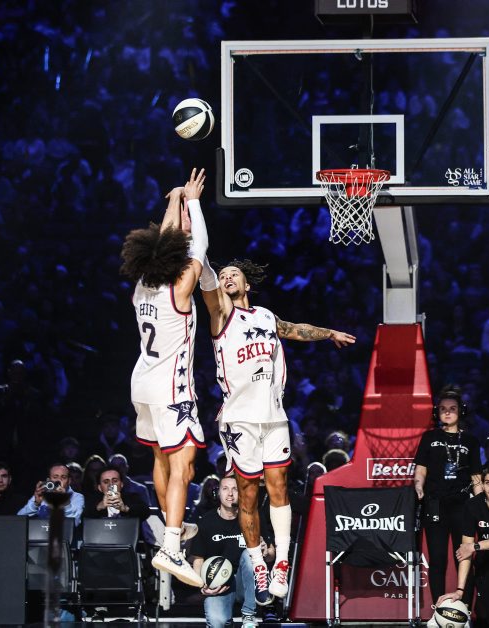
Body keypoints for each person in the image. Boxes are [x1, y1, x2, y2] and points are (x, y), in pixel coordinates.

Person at [200, 257, 356, 604]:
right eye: (223, 276)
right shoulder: (221, 315)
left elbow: (296, 329)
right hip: (239, 420)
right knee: (248, 495)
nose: (227, 278)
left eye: (234, 274)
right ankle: (259, 565)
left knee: (279, 487)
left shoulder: (266, 316)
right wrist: (202, 255)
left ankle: (281, 563)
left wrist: (328, 333)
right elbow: (207, 283)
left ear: (247, 285)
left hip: (273, 415)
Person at [120, 167, 210, 587]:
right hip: (170, 386)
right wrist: (194, 202)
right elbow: (200, 247)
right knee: (184, 464)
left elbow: (165, 243)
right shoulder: (180, 289)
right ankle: (171, 546)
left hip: (142, 382)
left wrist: (174, 201)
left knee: (161, 458)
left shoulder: (143, 283)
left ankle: (170, 527)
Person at [413, 385, 484, 608]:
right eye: (443, 408)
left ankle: (465, 609)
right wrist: (418, 486)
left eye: (452, 408)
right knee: (437, 559)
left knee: (463, 557)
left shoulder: (470, 440)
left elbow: (476, 476)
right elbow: (421, 468)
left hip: (462, 505)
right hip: (435, 503)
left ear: (461, 411)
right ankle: (438, 609)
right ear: (437, 412)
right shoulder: (429, 437)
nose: (447, 412)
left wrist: (481, 506)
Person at [436, 465, 489, 628]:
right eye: (488, 483)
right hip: (487, 561)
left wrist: (475, 546)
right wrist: (460, 590)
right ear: (482, 485)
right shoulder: (472, 505)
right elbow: (465, 550)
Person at [191, 475, 273, 628]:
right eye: (225, 489)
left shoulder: (253, 517)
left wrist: (265, 552)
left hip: (246, 580)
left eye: (235, 489)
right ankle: (227, 620)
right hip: (219, 582)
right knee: (217, 622)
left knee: (250, 553)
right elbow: (198, 561)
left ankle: (249, 615)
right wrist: (202, 586)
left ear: (241, 492)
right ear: (218, 493)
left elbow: (271, 555)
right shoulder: (206, 522)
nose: (230, 493)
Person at [17, 462, 85, 526]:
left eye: (63, 477)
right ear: (48, 480)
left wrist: (64, 500)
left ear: (69, 481)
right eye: (55, 477)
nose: (59, 480)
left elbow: (75, 523)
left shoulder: (78, 497)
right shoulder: (42, 494)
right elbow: (19, 519)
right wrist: (35, 504)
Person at [82, 465, 149, 521]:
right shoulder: (92, 500)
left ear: (121, 484)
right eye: (106, 482)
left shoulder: (132, 498)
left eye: (115, 481)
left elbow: (145, 512)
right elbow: (82, 519)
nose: (111, 484)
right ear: (99, 487)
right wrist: (98, 508)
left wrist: (125, 509)